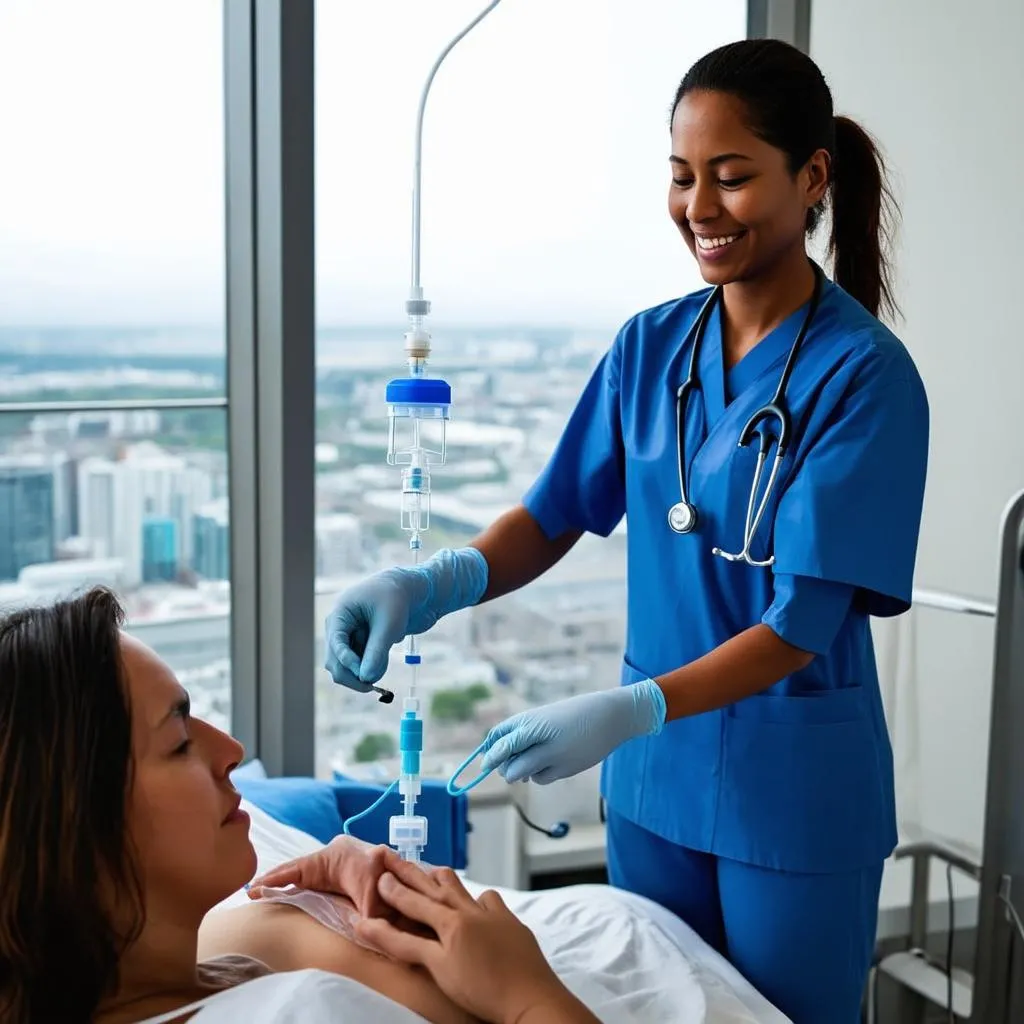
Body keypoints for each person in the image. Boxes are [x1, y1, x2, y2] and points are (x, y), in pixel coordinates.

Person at [323, 37, 930, 1024]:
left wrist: (630, 708)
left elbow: (800, 624)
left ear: (810, 176)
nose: (699, 207)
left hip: (790, 794)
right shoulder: (648, 346)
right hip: (655, 787)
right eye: (683, 176)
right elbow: (553, 514)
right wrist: (428, 583)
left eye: (731, 178)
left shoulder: (864, 378)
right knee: (637, 1005)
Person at [0, 588, 601, 1024]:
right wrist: (529, 998)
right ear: (77, 831)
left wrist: (362, 902)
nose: (232, 751)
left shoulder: (222, 945)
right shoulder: (303, 1007)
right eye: (179, 743)